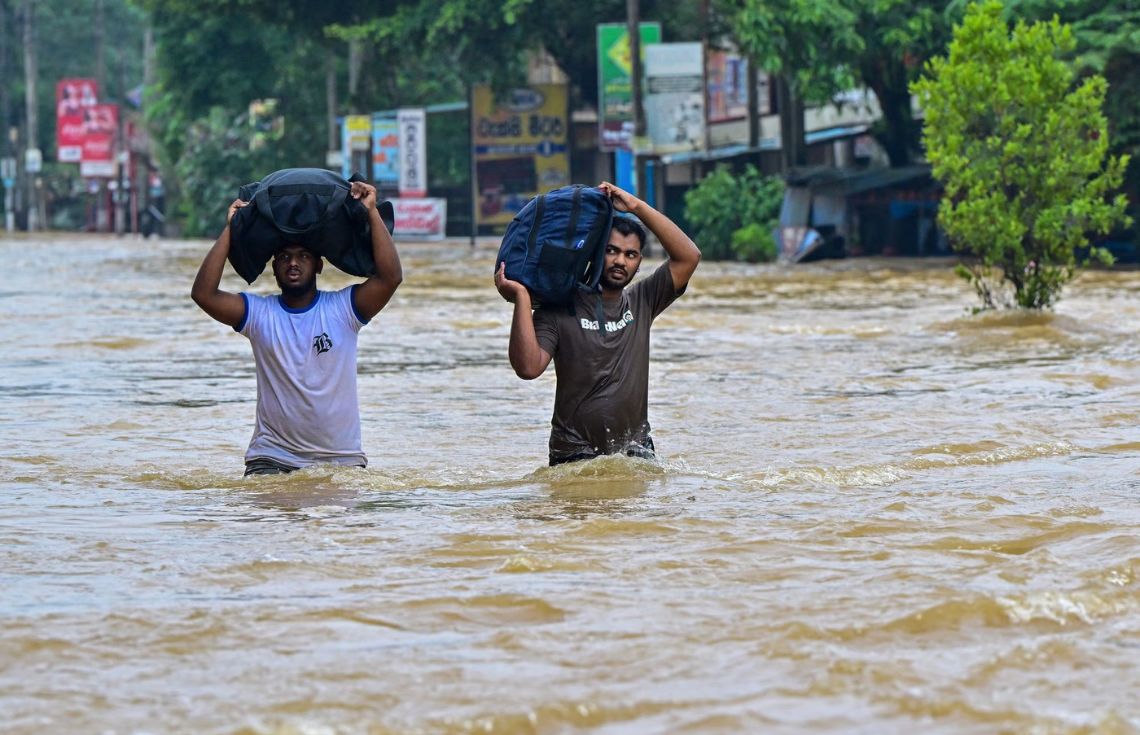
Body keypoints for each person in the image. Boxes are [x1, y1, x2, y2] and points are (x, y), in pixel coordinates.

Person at [191, 180, 402, 476]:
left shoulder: (344, 309)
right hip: (271, 457)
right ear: (274, 267)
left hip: (341, 459)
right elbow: (204, 294)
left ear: (318, 265)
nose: (293, 264)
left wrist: (370, 211)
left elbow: (390, 278)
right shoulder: (259, 314)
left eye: (303, 256)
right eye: (285, 257)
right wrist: (231, 228)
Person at [494, 181, 701, 465]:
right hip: (574, 455)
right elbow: (528, 368)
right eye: (611, 251)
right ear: (594, 251)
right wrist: (521, 297)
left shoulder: (642, 300)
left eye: (631, 255)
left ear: (639, 263)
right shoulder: (560, 306)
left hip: (636, 451)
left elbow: (689, 256)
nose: (620, 261)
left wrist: (636, 206)